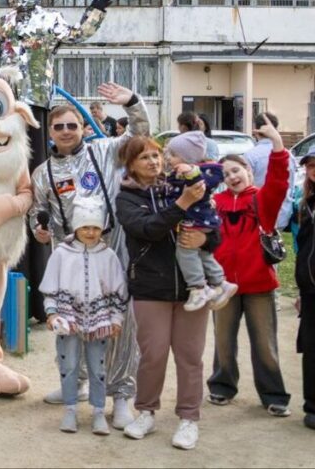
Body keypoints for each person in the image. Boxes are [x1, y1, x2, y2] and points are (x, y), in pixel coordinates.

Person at [30, 82, 145, 428]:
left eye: (72, 125)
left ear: (82, 127)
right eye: (58, 126)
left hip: (111, 247)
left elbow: (140, 137)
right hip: (69, 254)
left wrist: (133, 103)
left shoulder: (105, 151)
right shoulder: (43, 172)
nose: (65, 132)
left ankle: (121, 395)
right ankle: (76, 383)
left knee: (117, 323)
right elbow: (37, 211)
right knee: (70, 320)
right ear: (50, 132)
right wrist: (39, 228)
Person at [116, 135, 214, 450]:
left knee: (190, 357)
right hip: (149, 287)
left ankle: (189, 419)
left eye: (157, 156)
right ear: (130, 165)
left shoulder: (180, 184)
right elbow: (147, 230)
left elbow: (214, 226)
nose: (153, 162)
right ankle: (145, 411)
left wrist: (206, 241)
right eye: (144, 157)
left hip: (192, 290)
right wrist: (182, 204)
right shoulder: (127, 198)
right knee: (153, 355)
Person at [208, 121, 292, 417]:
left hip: (259, 285)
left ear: (248, 171)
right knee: (222, 342)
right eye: (226, 173)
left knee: (265, 344)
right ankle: (222, 386)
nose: (232, 177)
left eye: (236, 170)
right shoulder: (213, 203)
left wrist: (277, 143)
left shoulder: (261, 199)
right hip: (222, 286)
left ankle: (273, 394)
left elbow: (280, 182)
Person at [39, 197, 128, 435]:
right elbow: (50, 287)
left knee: (97, 367)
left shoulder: (108, 255)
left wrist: (116, 318)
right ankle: (70, 410)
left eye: (96, 227)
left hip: (100, 321)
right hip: (67, 321)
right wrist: (51, 312)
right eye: (85, 227)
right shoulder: (61, 253)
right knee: (69, 365)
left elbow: (117, 290)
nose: (90, 232)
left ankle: (99, 412)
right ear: (76, 227)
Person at [164, 132, 237, 312]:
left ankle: (198, 287)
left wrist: (190, 173)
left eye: (173, 155)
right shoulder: (184, 173)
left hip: (196, 220)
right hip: (201, 219)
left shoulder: (199, 173)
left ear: (188, 158)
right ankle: (220, 282)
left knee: (185, 252)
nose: (169, 159)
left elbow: (199, 186)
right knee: (202, 254)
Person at [245, 112, 298, 230]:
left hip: (258, 213)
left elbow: (245, 187)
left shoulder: (250, 156)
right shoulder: (288, 155)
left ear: (256, 130)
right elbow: (292, 184)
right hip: (283, 213)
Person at [294, 144, 315, 430]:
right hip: (311, 288)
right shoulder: (306, 203)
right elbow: (303, 249)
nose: (313, 170)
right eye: (310, 166)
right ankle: (312, 406)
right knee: (311, 348)